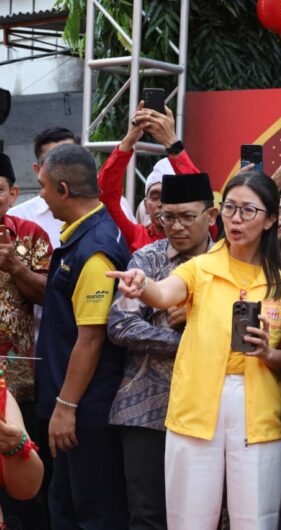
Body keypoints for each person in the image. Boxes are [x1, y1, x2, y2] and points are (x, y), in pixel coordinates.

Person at [108, 172, 281, 530]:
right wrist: (142, 285)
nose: (236, 219)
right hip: (197, 403)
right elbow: (164, 293)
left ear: (270, 219)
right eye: (230, 208)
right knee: (189, 517)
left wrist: (267, 354)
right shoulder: (200, 267)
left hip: (259, 408)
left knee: (255, 517)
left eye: (248, 211)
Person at [107, 173, 217, 530]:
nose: (176, 226)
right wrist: (186, 343)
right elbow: (120, 325)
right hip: (147, 409)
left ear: (211, 216)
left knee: (206, 514)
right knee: (146, 514)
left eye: (187, 217)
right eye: (168, 217)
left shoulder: (228, 261)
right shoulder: (147, 259)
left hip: (210, 410)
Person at [34, 144, 131, 529]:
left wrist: (66, 407)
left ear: (63, 189)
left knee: (91, 513)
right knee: (64, 506)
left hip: (85, 412)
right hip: (75, 405)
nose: (40, 196)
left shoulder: (94, 252)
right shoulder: (84, 236)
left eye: (43, 187)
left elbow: (91, 339)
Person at [0, 153, 52, 529]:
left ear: (13, 194)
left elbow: (51, 296)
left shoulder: (31, 235)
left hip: (19, 381)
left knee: (23, 484)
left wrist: (15, 267)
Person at [9, 127, 134, 249]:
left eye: (70, 159)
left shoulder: (117, 205)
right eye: (54, 162)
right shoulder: (18, 220)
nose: (64, 168)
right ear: (38, 170)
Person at [99, 105, 201, 252]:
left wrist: (171, 142)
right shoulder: (135, 236)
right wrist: (128, 141)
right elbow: (106, 196)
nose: (162, 204)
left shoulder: (200, 234)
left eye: (170, 195)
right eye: (155, 197)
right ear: (146, 206)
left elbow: (199, 194)